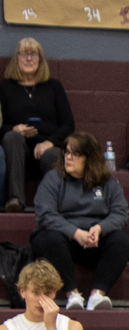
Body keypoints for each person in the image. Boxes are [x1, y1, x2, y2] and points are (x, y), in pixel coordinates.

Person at [30, 132, 129, 311]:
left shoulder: (108, 182)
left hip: (95, 240)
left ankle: (97, 296)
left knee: (121, 240)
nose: (68, 157)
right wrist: (74, 232)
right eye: (66, 152)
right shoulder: (53, 178)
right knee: (47, 238)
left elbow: (120, 213)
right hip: (64, 240)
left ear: (89, 158)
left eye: (75, 154)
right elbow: (45, 213)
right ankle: (72, 295)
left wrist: (100, 228)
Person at [0, 37, 74, 212]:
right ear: (16, 59)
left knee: (53, 155)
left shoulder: (54, 87)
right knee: (11, 137)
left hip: (47, 148)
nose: (28, 58)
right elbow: (0, 127)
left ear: (40, 59)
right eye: (24, 54)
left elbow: (68, 124)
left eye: (33, 54)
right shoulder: (5, 88)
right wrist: (14, 129)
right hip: (18, 153)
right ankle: (16, 200)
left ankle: (52, 206)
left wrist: (50, 142)